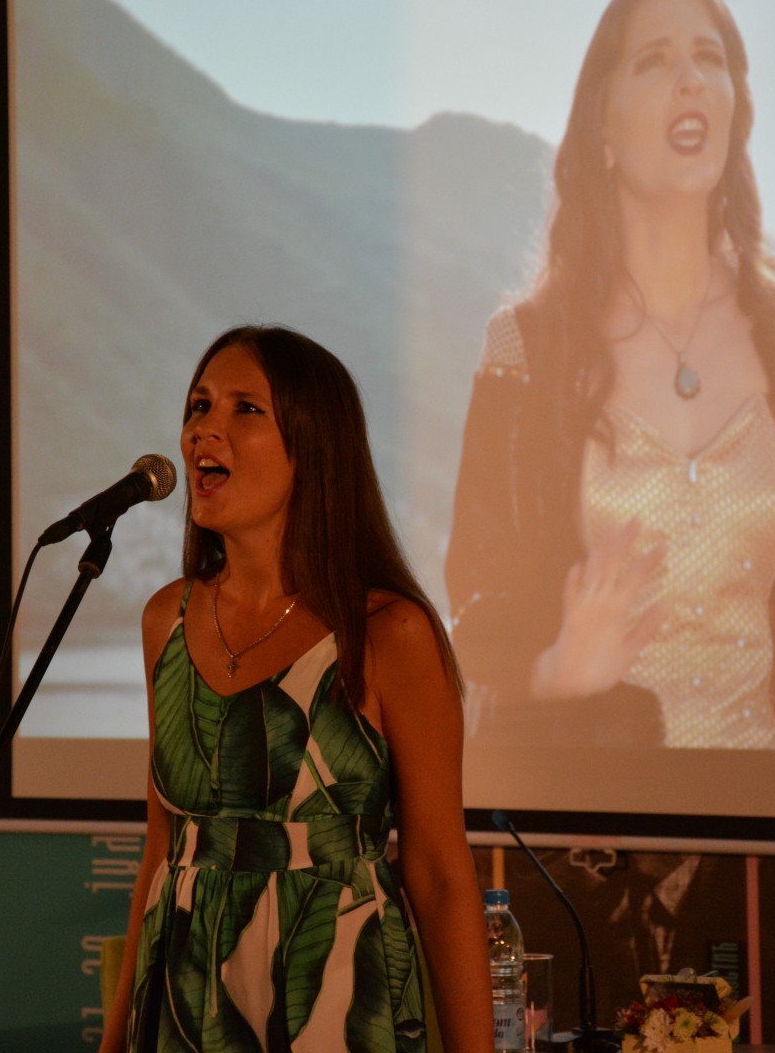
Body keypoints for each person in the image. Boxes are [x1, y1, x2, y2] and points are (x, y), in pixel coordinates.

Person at [446, 0, 775, 752]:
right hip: (594, 818)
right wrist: (555, 669)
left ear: (734, 109)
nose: (691, 77)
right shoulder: (524, 351)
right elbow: (479, 614)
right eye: (654, 61)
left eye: (709, 57)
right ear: (603, 125)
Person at [101, 326, 491, 1052]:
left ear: (313, 449)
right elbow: (162, 850)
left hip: (336, 998)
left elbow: (439, 872)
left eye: (245, 409)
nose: (204, 429)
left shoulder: (389, 631)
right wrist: (115, 1038)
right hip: (186, 997)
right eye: (199, 405)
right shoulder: (167, 618)